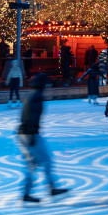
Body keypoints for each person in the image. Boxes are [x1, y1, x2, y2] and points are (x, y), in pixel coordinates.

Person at [16, 73, 69, 202]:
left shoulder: (32, 95)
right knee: (46, 160)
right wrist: (32, 135)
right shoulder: (37, 97)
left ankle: (26, 193)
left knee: (32, 164)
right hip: (30, 134)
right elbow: (32, 116)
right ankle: (51, 188)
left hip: (24, 133)